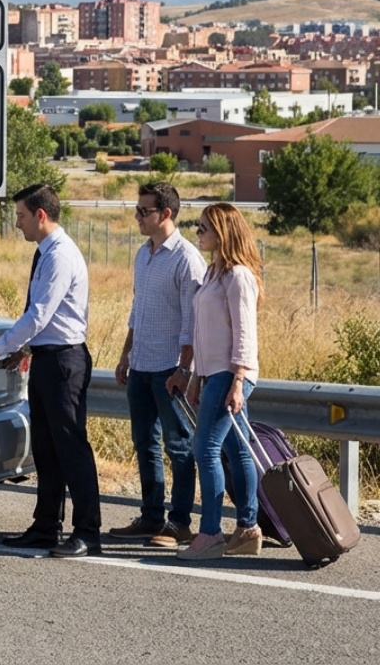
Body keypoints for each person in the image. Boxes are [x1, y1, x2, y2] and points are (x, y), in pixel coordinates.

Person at [0, 183, 100, 558]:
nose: (18, 224)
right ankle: (46, 527)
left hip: (63, 362)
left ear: (40, 215)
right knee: (46, 450)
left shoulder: (59, 255)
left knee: (71, 449)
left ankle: (88, 532)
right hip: (47, 358)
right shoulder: (47, 252)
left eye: (22, 216)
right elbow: (44, 318)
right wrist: (24, 349)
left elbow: (40, 314)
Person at [107, 182, 206, 548]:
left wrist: (184, 369)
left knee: (178, 446)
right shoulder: (142, 254)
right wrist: (125, 355)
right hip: (142, 364)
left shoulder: (186, 258)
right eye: (137, 210)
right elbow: (138, 310)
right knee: (144, 443)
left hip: (170, 369)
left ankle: (180, 523)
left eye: (143, 211)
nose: (137, 217)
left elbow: (193, 322)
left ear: (166, 214)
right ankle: (151, 517)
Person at [166, 202, 264, 560]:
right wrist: (194, 376)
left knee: (204, 448)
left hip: (231, 373)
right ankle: (247, 528)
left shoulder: (238, 276)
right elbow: (205, 333)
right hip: (214, 374)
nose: (199, 233)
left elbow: (244, 335)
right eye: (199, 227)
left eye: (205, 228)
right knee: (236, 451)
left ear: (224, 232)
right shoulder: (213, 274)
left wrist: (237, 381)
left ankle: (210, 534)